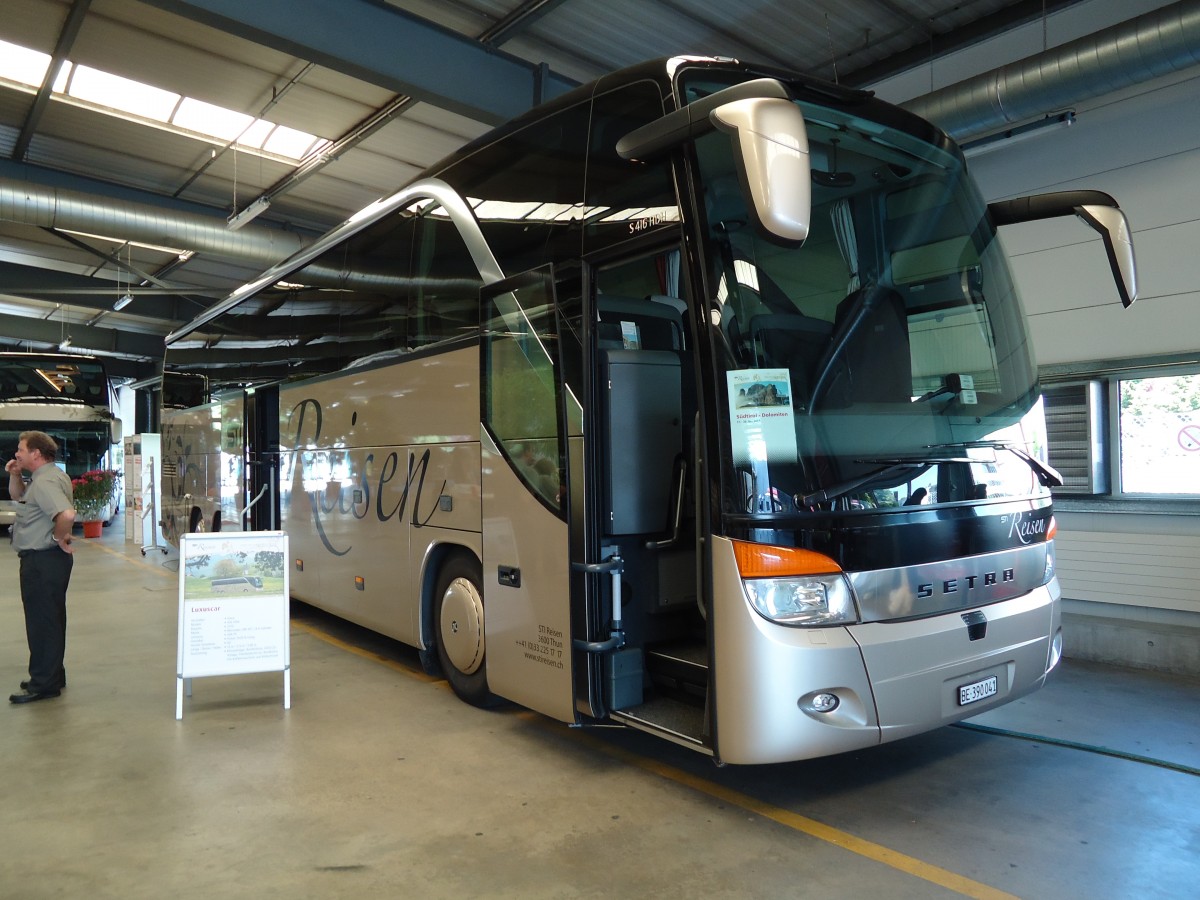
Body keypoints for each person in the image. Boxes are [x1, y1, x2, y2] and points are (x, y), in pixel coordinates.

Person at [6, 431, 76, 704]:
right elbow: (20, 498)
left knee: (41, 622)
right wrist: (15, 474)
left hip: (42, 560)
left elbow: (66, 514)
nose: (17, 454)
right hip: (49, 561)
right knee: (52, 618)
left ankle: (43, 684)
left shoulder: (45, 481)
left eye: (21, 450)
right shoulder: (49, 476)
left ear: (36, 453)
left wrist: (59, 537)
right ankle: (52, 674)